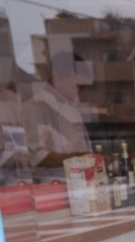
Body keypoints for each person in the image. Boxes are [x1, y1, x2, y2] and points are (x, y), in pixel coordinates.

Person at [22, 52, 91, 180]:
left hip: (79, 181)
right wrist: (77, 157)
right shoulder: (33, 109)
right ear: (55, 78)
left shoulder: (73, 112)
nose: (76, 92)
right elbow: (36, 157)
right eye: (74, 86)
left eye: (81, 88)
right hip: (50, 183)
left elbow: (85, 149)